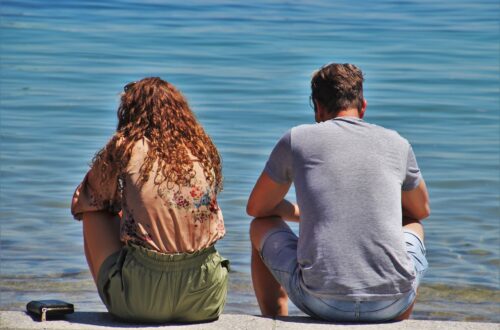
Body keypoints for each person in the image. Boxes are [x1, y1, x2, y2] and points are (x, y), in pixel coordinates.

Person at [247, 63, 430, 322]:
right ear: (363, 105)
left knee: (260, 225)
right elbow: (421, 210)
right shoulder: (397, 143)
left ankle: (277, 319)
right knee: (413, 224)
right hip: (393, 302)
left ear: (318, 108)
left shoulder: (296, 139)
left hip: (321, 300)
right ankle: (396, 322)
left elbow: (257, 208)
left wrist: (302, 213)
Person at [71, 77, 229, 323]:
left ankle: (113, 296)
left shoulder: (125, 146)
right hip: (206, 296)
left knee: (94, 207)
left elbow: (87, 198)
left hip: (141, 300)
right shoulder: (201, 147)